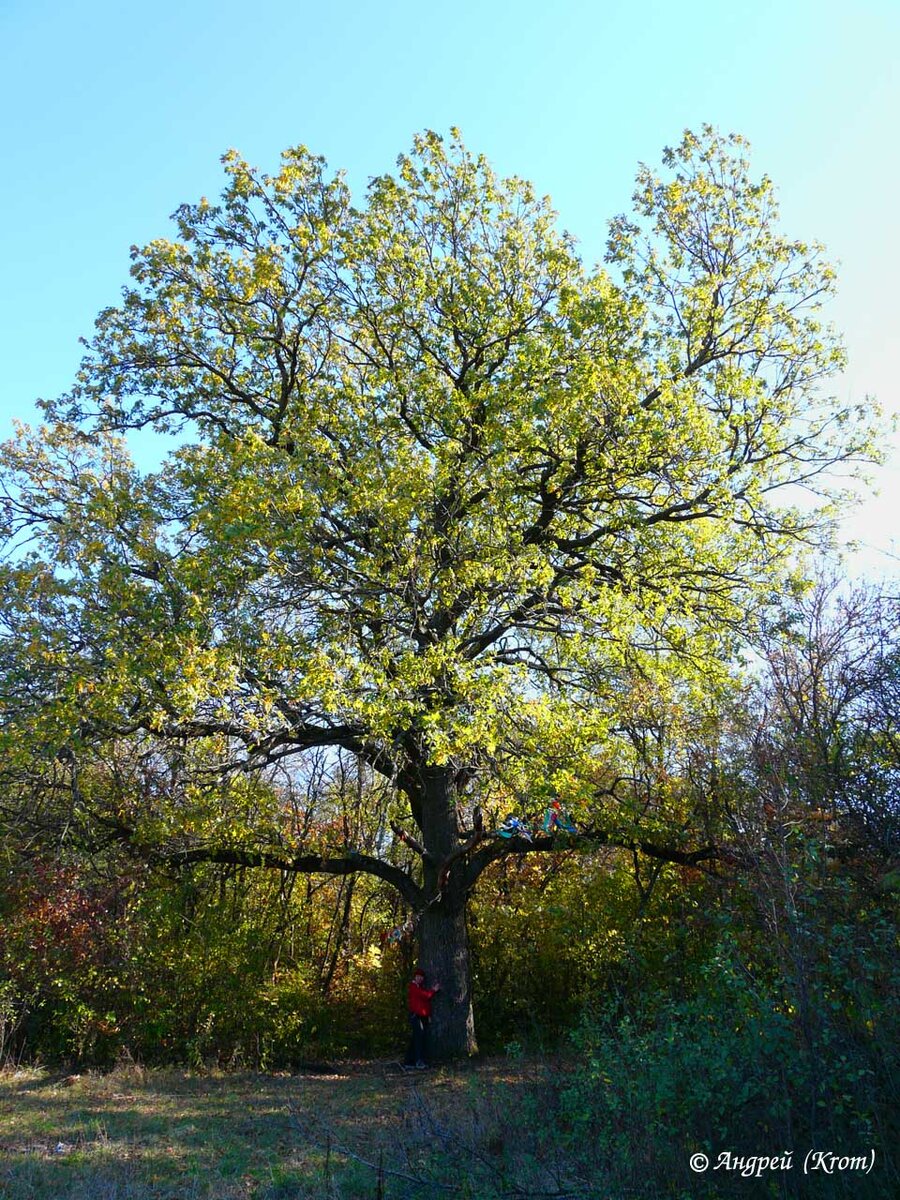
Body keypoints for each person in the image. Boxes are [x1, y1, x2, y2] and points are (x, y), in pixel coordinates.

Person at [404, 967, 440, 1068]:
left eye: (421, 977)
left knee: (416, 1038)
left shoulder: (419, 987)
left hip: (421, 1016)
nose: (420, 978)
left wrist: (428, 1015)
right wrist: (434, 990)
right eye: (418, 976)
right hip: (415, 1016)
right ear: (415, 977)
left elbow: (425, 1003)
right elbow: (425, 996)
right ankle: (418, 1061)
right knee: (418, 1038)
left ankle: (409, 1061)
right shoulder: (413, 987)